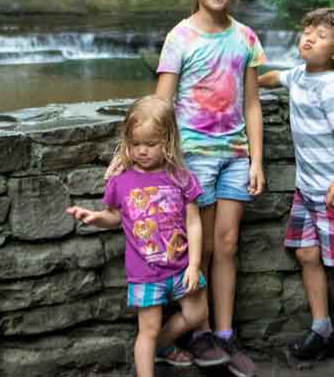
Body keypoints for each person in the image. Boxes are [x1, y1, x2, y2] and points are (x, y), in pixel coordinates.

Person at [154, 0, 266, 377]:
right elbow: (163, 103)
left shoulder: (246, 38)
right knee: (195, 252)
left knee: (227, 244)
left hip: (235, 155)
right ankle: (196, 332)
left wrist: (256, 159)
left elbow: (252, 104)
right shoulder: (180, 37)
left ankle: (224, 334)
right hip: (193, 159)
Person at [257, 8, 334, 377]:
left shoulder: (331, 86)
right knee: (308, 254)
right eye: (307, 29)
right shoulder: (299, 76)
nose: (309, 36)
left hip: (332, 191)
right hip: (305, 190)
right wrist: (247, 81)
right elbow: (276, 77)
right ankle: (321, 328)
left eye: (321, 35)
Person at [65, 96, 224, 377]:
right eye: (135, 144)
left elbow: (194, 222)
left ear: (169, 140)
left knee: (197, 315)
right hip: (145, 272)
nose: (142, 151)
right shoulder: (121, 180)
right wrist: (96, 218)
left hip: (181, 267)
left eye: (151, 144)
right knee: (147, 330)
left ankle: (163, 345)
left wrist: (194, 264)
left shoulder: (181, 177)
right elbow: (114, 215)